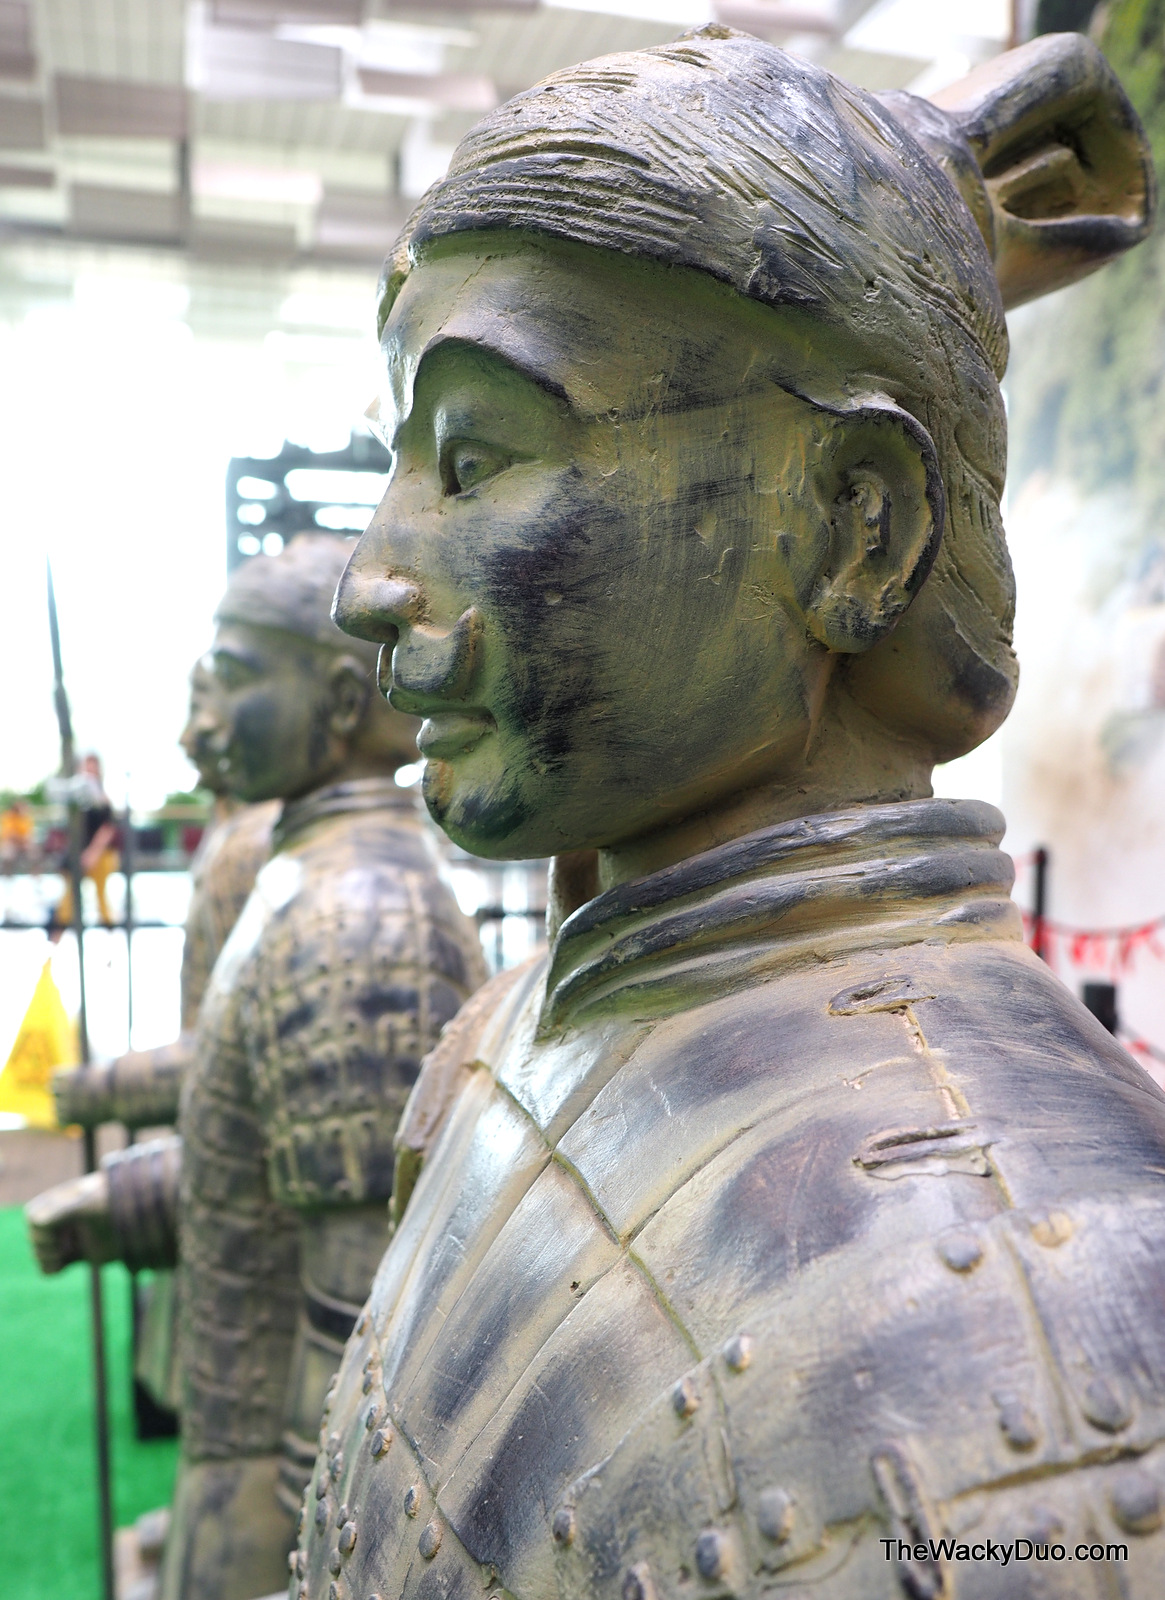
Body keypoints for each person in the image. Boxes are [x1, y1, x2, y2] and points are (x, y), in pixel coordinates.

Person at [288, 27, 1165, 1600]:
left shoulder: (1012, 1316)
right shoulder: (513, 1028)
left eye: (477, 458)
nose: (368, 581)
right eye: (406, 459)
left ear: (852, 528)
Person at [27, 535, 487, 1600]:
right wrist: (131, 1199)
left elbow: (351, 1324)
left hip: (267, 1509)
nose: (201, 723)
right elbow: (266, 1155)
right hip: (230, 1464)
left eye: (233, 680)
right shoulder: (309, 873)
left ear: (340, 700)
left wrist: (304, 1553)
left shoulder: (355, 916)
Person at [48, 752, 118, 934]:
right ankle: (55, 940)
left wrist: (93, 852)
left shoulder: (103, 799)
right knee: (68, 899)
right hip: (80, 853)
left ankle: (110, 938)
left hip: (100, 854)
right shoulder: (76, 798)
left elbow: (107, 829)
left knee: (101, 899)